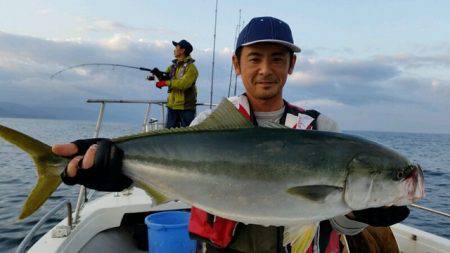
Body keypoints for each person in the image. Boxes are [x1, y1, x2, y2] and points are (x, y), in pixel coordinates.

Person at [53, 16, 409, 253]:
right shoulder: (206, 128)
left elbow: (337, 218)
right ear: (237, 63)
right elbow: (176, 179)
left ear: (291, 65)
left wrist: (362, 215)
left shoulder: (322, 130)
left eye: (277, 59)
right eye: (255, 58)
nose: (266, 70)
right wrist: (117, 169)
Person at [151, 39, 199, 128]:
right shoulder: (173, 66)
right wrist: (158, 74)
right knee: (168, 135)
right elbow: (165, 78)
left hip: (186, 108)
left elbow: (183, 84)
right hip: (172, 107)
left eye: (176, 47)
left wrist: (165, 83)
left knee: (187, 135)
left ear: (182, 50)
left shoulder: (191, 68)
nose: (174, 50)